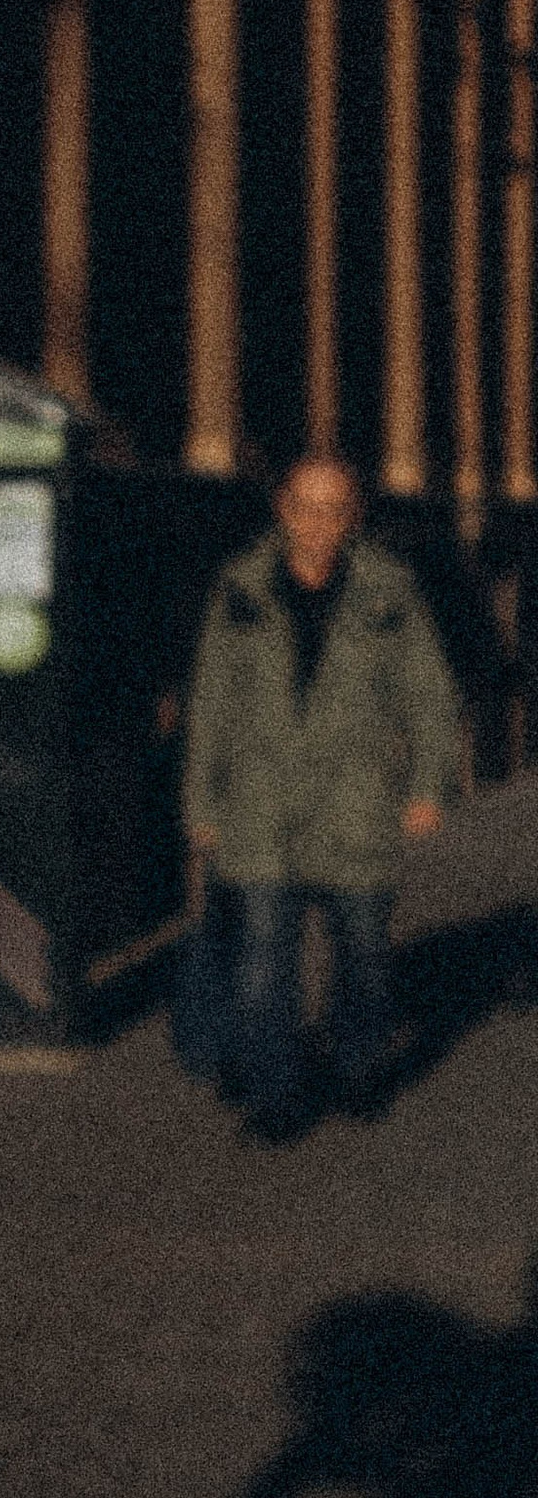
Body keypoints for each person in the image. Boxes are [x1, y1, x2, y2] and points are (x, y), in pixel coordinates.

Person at [180, 451, 461, 1142]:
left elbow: (429, 695)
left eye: (333, 509)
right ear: (282, 508)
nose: (317, 523)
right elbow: (210, 701)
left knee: (364, 956)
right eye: (305, 506)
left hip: (355, 803)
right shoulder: (240, 588)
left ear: (353, 516)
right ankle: (275, 1095)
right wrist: (202, 804)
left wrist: (427, 787)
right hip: (261, 806)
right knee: (263, 963)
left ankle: (357, 1067)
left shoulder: (389, 592)